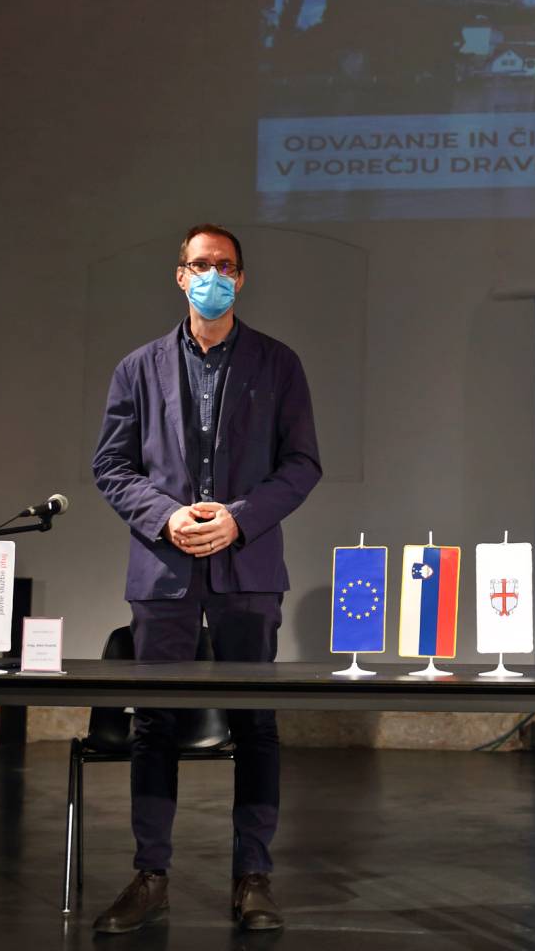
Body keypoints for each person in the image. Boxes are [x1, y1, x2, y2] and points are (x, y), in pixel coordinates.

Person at [91, 223, 321, 934]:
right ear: (180, 275)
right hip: (163, 571)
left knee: (255, 723)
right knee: (154, 723)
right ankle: (150, 875)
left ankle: (253, 877)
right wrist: (165, 517)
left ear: (240, 279)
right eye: (200, 264)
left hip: (247, 568)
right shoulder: (138, 367)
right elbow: (112, 466)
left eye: (224, 265)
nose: (211, 275)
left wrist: (239, 519)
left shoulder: (278, 363)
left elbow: (302, 464)